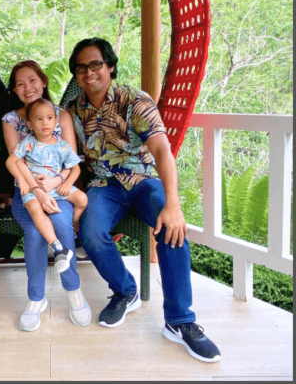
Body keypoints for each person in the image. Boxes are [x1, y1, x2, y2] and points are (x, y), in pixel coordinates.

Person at [67, 37, 220, 362]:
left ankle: (180, 321)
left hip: (143, 180)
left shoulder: (134, 99)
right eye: (81, 67)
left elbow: (162, 149)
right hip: (104, 185)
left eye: (95, 64)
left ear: (109, 66)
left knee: (171, 228)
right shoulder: (74, 110)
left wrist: (173, 204)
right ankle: (125, 290)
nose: (88, 72)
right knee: (91, 233)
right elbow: (71, 157)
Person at [1, 60, 91, 331]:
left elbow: (71, 160)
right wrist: (38, 191)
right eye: (19, 83)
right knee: (35, 233)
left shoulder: (60, 115)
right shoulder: (11, 120)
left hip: (58, 190)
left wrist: (56, 180)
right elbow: (17, 163)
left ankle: (74, 291)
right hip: (26, 192)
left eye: (32, 80)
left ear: (43, 81)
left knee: (62, 224)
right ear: (14, 90)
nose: (27, 87)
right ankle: (36, 298)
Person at [7, 98, 87, 272]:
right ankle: (58, 247)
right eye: (39, 119)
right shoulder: (28, 143)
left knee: (82, 199)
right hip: (34, 189)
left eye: (49, 118)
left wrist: (69, 183)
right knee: (35, 209)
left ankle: (75, 228)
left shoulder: (63, 146)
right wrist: (21, 179)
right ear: (29, 124)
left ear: (56, 122)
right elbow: (10, 162)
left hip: (57, 187)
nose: (45, 122)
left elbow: (75, 169)